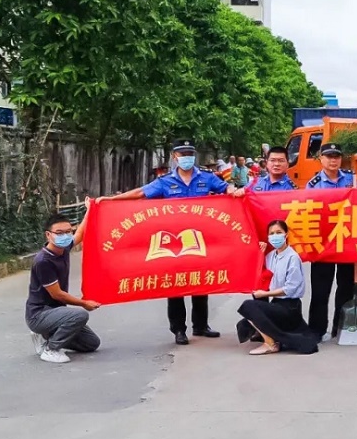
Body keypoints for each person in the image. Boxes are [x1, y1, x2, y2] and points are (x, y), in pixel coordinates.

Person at [102, 139, 241, 345]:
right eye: (182, 154)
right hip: (173, 242)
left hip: (200, 238)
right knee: (176, 285)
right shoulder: (165, 181)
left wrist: (233, 190)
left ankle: (201, 325)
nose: (187, 158)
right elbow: (140, 193)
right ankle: (178, 329)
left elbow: (225, 188)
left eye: (190, 154)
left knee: (201, 281)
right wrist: (111, 200)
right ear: (174, 157)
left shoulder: (206, 177)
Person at [25, 209, 101, 364]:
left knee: (91, 343)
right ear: (48, 235)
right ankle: (50, 349)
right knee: (80, 315)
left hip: (56, 312)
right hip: (39, 314)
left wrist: (90, 209)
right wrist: (84, 303)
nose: (65, 236)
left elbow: (80, 234)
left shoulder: (63, 249)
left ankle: (45, 335)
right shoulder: (43, 261)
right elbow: (57, 294)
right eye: (59, 233)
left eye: (68, 232)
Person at [236, 220, 319, 355]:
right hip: (276, 304)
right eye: (272, 233)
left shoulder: (292, 257)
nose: (275, 236)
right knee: (247, 318)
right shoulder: (270, 256)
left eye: (278, 232)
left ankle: (270, 343)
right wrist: (260, 253)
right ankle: (266, 335)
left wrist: (264, 294)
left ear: (286, 235)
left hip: (290, 307)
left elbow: (290, 289)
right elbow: (260, 274)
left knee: (248, 306)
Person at [305, 143, 356, 339]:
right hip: (323, 243)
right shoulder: (313, 184)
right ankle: (317, 330)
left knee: (346, 287)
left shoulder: (352, 179)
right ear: (321, 159)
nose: (333, 160)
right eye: (329, 156)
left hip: (346, 241)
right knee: (320, 289)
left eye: (336, 156)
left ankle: (340, 327)